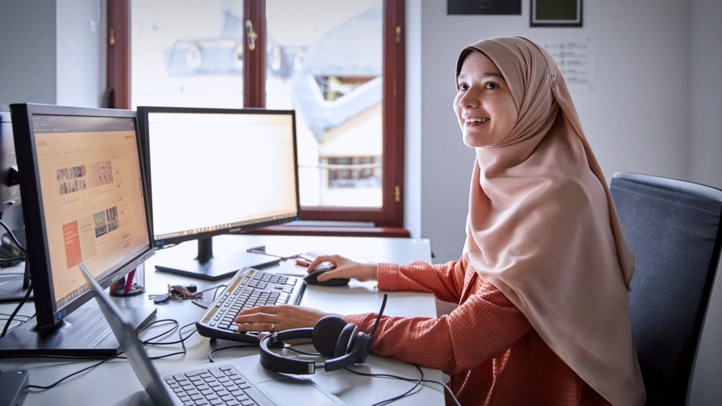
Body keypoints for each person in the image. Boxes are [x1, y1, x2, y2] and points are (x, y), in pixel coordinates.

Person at [235, 36, 645, 405]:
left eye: (492, 85)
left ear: (533, 98)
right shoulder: (507, 172)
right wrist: (369, 270)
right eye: (463, 85)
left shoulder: (559, 198)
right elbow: (469, 277)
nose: (466, 100)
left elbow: (454, 343)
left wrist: (331, 324)